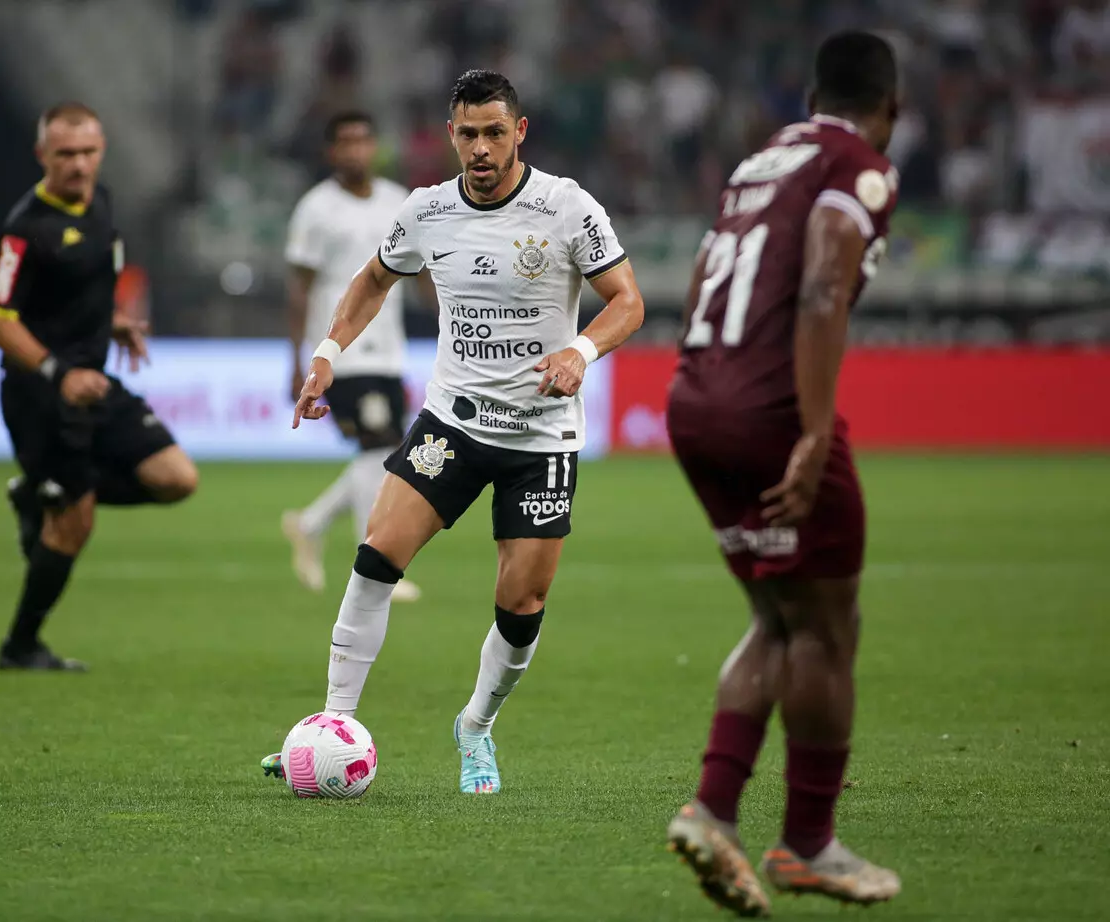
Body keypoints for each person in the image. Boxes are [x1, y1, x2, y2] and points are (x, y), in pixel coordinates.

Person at [261, 70, 644, 793]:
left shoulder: (566, 207)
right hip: (453, 422)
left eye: (495, 132)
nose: (481, 147)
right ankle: (331, 727)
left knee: (523, 601)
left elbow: (628, 301)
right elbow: (372, 281)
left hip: (540, 436)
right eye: (468, 133)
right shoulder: (426, 211)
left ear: (519, 133)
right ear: (451, 135)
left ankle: (476, 726)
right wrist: (325, 355)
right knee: (376, 555)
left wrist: (581, 350)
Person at [664, 32, 903, 914]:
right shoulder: (860, 164)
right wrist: (810, 430)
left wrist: (708, 377)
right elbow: (822, 282)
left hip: (695, 395)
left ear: (810, 96)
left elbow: (701, 274)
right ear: (893, 109)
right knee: (828, 627)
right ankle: (808, 843)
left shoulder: (760, 162)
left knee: (778, 611)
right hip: (770, 407)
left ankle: (713, 812)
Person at [0, 102, 198, 672]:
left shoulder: (101, 202)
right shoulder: (25, 227)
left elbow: (87, 286)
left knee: (176, 478)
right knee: (76, 525)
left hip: (95, 383)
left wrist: (115, 323)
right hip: (41, 394)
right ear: (42, 156)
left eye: (87, 152)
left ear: (101, 149)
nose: (78, 164)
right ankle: (20, 645)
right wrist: (58, 371)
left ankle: (41, 494)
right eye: (65, 154)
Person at [280, 111, 434, 604]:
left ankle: (309, 523)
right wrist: (298, 357)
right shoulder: (315, 208)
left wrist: (449, 322)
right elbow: (299, 289)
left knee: (382, 452)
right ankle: (376, 566)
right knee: (379, 448)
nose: (355, 150)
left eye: (363, 140)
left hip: (388, 348)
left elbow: (424, 272)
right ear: (330, 151)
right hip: (341, 349)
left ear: (376, 147)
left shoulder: (396, 201)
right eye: (344, 142)